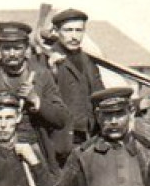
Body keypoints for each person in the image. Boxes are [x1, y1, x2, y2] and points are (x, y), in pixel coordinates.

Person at [0, 21, 69, 157]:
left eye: (17, 48)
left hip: (33, 149)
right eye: (6, 48)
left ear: (26, 48)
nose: (12, 54)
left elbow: (61, 118)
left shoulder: (41, 74)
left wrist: (36, 100)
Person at [45, 8, 105, 149]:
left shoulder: (89, 61)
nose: (74, 36)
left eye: (79, 30)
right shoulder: (46, 58)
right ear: (57, 31)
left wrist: (138, 105)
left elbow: (101, 96)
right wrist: (51, 71)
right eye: (68, 30)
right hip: (60, 141)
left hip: (90, 137)